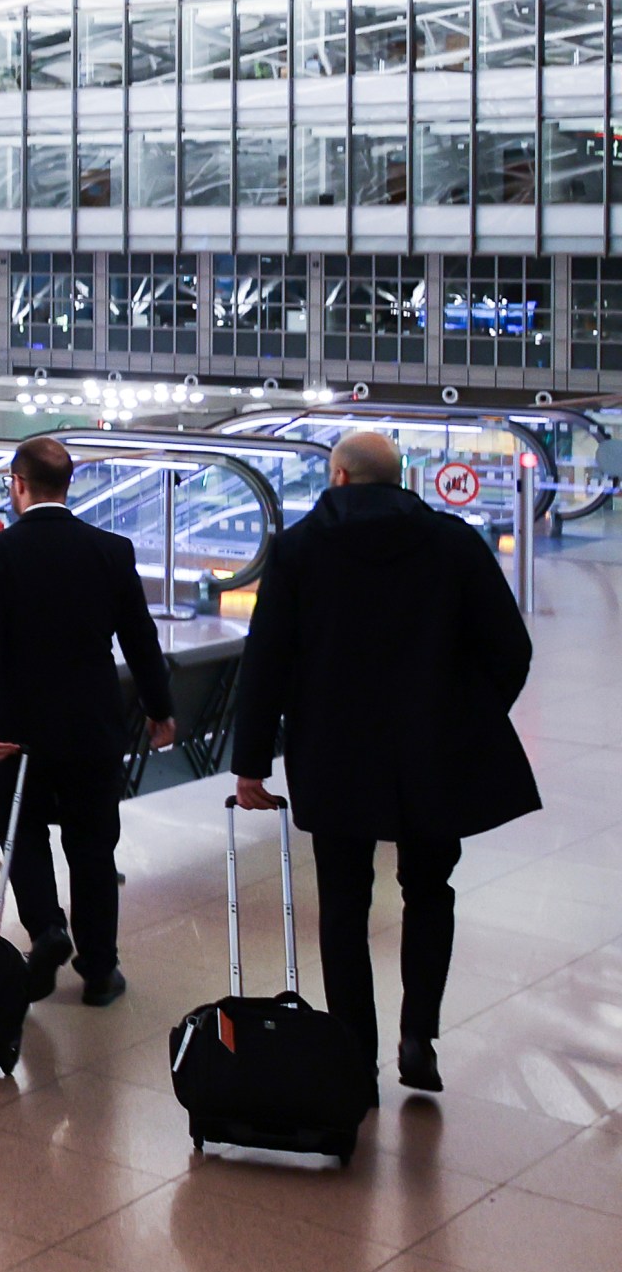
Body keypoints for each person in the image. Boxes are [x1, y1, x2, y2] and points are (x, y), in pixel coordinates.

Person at [231, 432, 536, 1097]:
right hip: (433, 754)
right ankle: (418, 1037)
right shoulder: (452, 542)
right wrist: (468, 717)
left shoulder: (300, 550)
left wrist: (251, 763)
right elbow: (510, 648)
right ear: (400, 480)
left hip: (335, 757)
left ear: (338, 477)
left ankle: (353, 1054)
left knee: (343, 906)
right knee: (429, 892)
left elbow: (267, 661)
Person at [0, 436, 176, 1006]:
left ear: (18, 485)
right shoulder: (110, 550)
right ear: (68, 484)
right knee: (92, 846)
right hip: (92, 725)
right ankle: (100, 972)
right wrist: (160, 708)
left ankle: (48, 929)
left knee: (21, 830)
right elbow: (139, 638)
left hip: (18, 729)